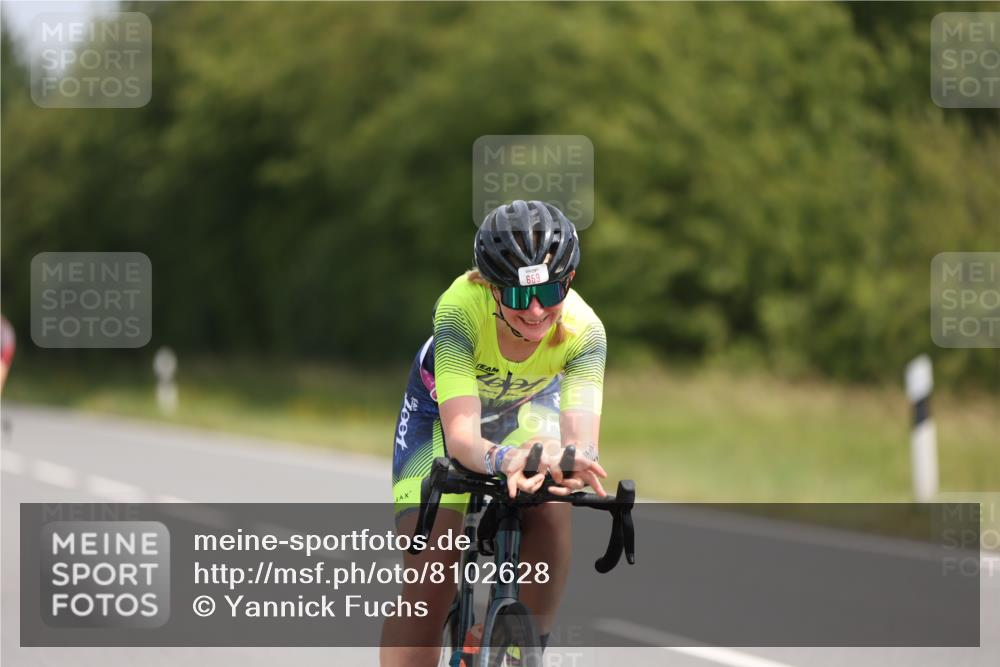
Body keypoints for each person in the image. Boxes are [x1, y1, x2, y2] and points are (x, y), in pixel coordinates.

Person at [380, 200, 608, 666]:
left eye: (551, 291)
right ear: (489, 285)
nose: (538, 310)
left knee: (550, 503)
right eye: (522, 297)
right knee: (430, 579)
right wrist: (503, 459)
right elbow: (462, 438)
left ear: (569, 281)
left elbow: (580, 444)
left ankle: (526, 646)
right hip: (439, 418)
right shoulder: (460, 309)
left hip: (526, 410)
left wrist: (568, 462)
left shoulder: (586, 332)